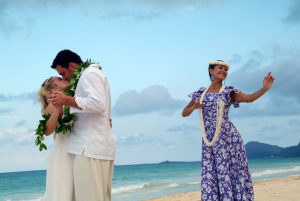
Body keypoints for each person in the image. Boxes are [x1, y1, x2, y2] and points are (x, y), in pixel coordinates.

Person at [182, 60, 275, 201]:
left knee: (230, 172)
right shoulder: (200, 93)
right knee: (211, 173)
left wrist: (265, 88)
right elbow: (184, 113)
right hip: (209, 141)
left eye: (226, 69)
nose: (224, 71)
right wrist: (195, 107)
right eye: (220, 68)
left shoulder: (228, 92)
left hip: (228, 140)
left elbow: (248, 98)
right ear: (211, 71)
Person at [49, 49, 116, 201]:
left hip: (89, 149)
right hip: (97, 147)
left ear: (72, 66)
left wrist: (66, 100)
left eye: (63, 73)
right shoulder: (92, 74)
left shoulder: (88, 74)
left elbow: (98, 104)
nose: (64, 77)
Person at [38, 76, 74, 201]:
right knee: (65, 189)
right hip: (63, 152)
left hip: (78, 147)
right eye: (59, 79)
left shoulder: (73, 98)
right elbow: (47, 131)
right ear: (53, 88)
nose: (64, 78)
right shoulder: (52, 106)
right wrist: (57, 109)